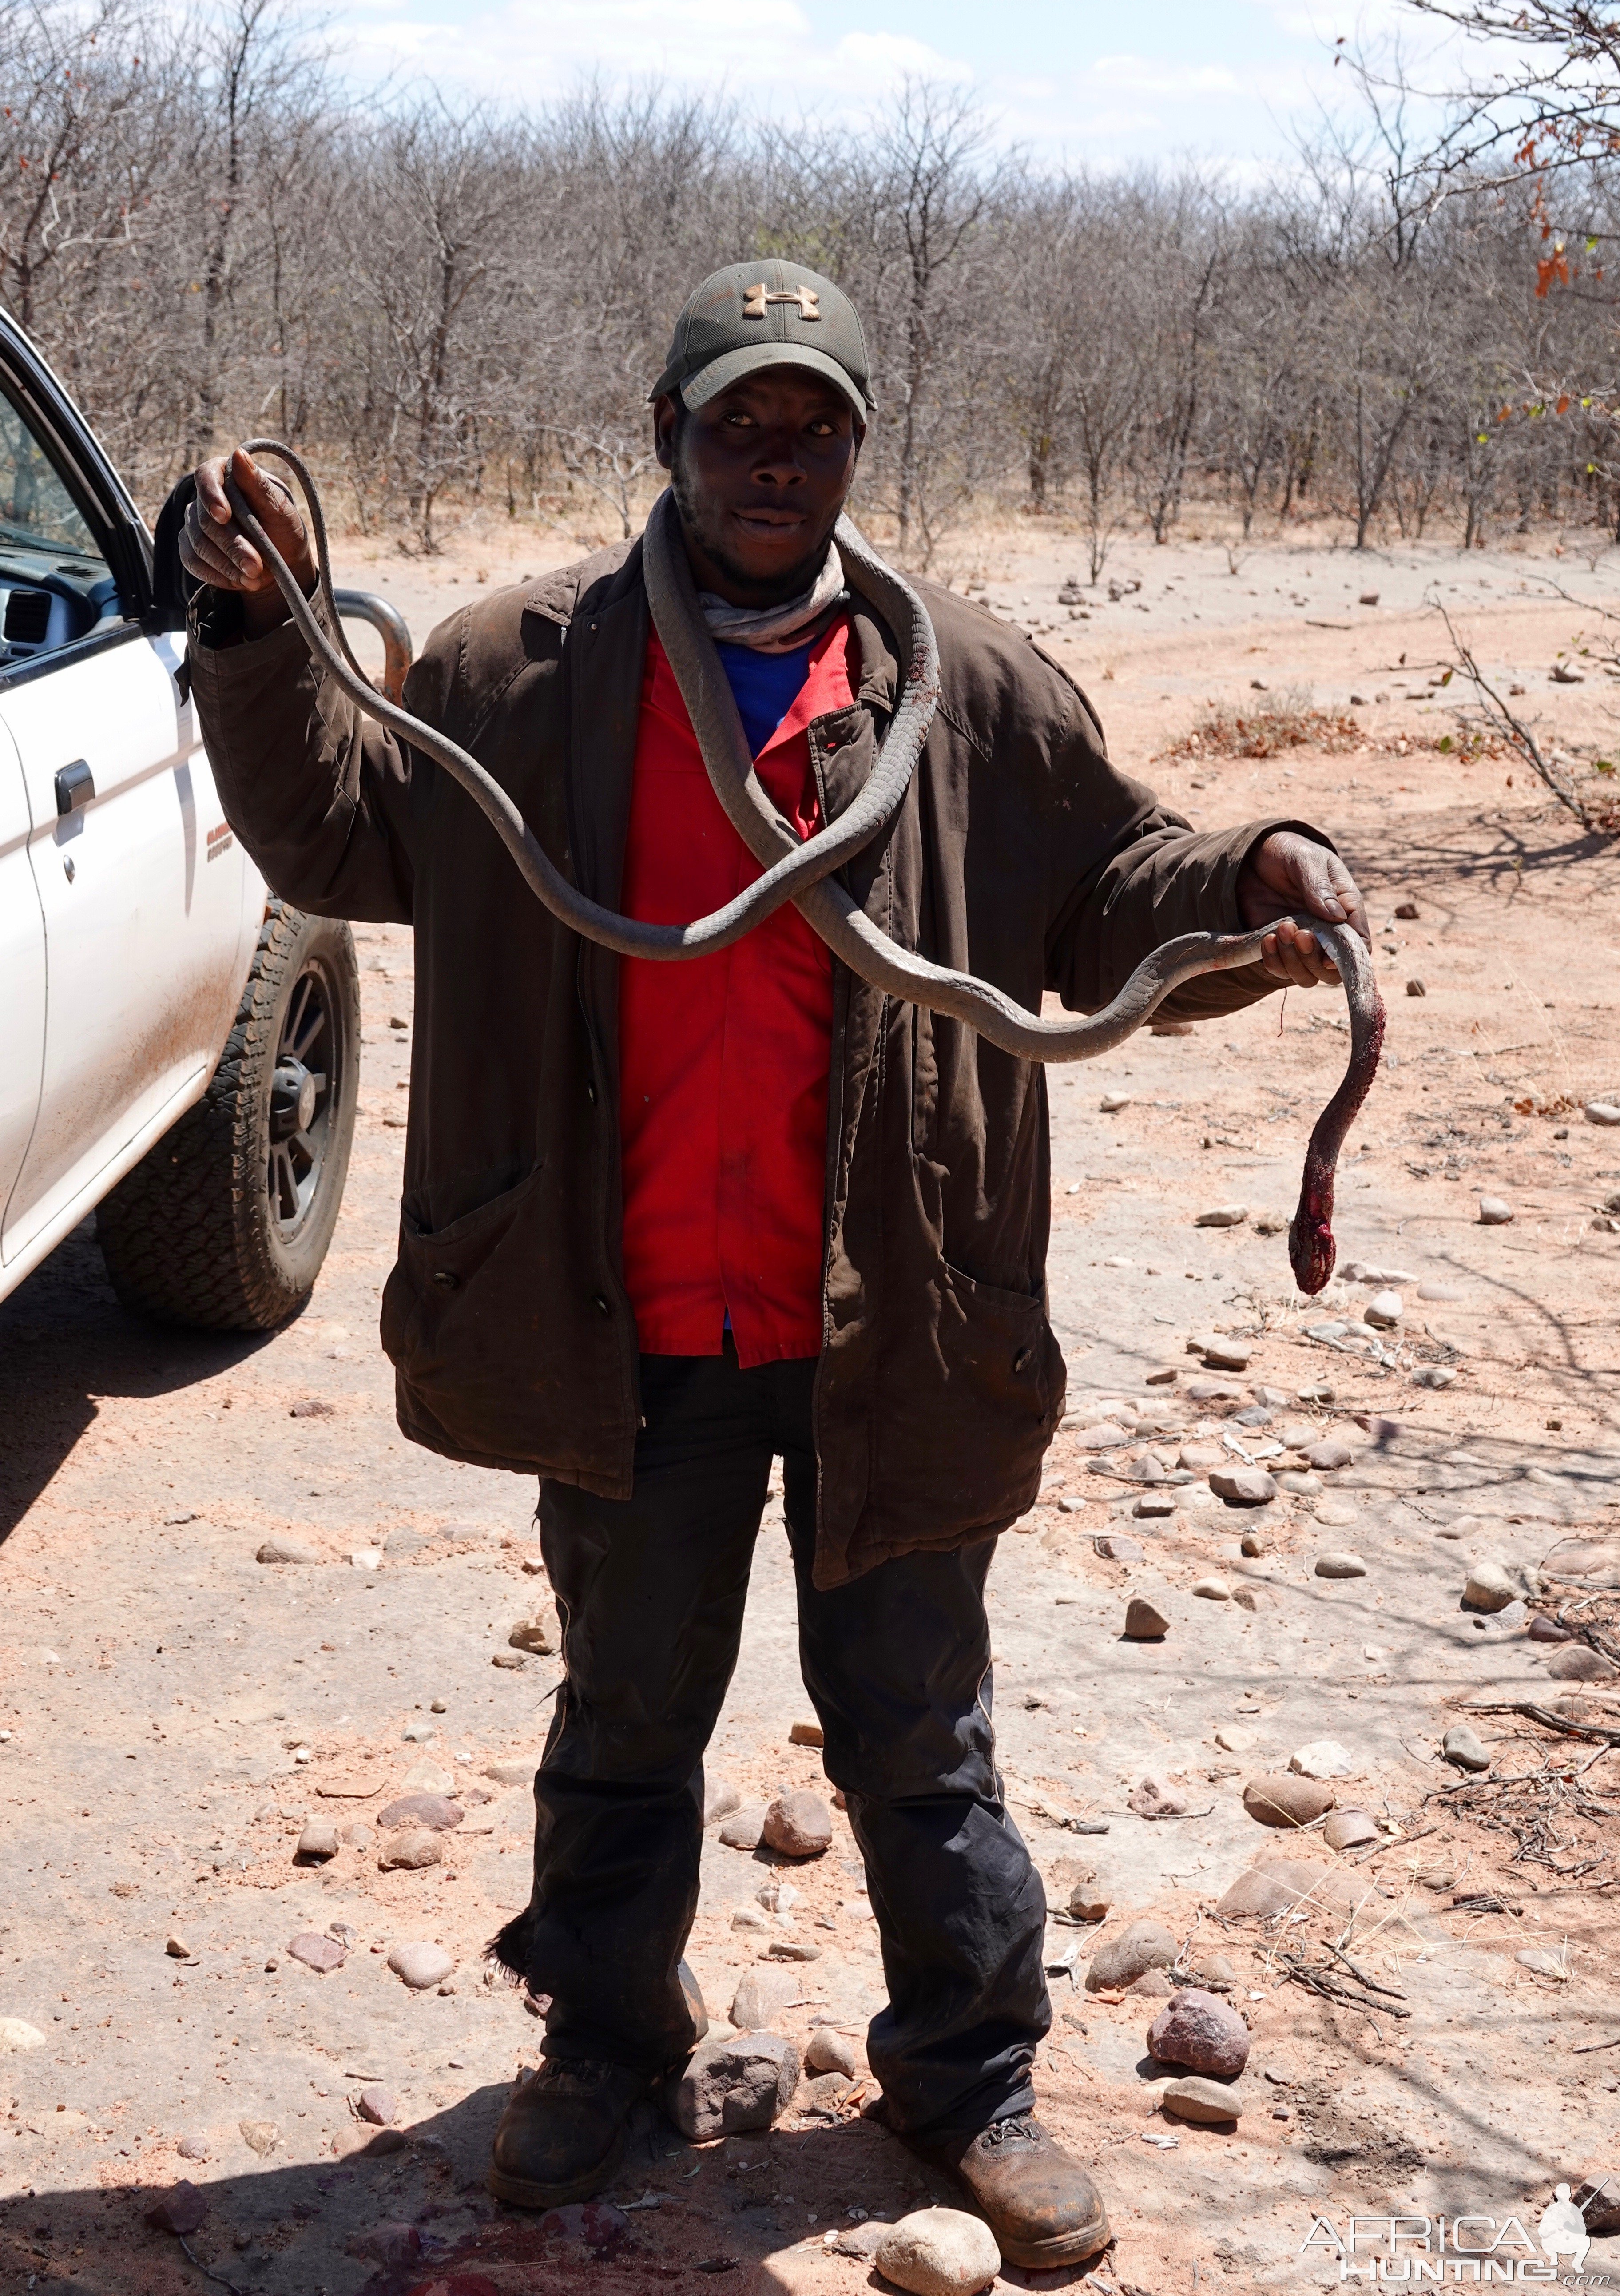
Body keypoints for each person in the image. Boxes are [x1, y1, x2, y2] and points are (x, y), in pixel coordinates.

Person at [173, 258, 1370, 2268]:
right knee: (628, 1715)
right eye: (739, 420)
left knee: (920, 1724)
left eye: (811, 424)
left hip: (898, 1321)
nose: (775, 459)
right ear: (668, 435)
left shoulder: (969, 690)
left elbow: (1110, 891)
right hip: (619, 1310)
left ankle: (970, 2079)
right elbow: (339, 833)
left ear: (855, 450)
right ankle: (611, 2054)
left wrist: (1255, 876)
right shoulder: (509, 666)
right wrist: (246, 618)